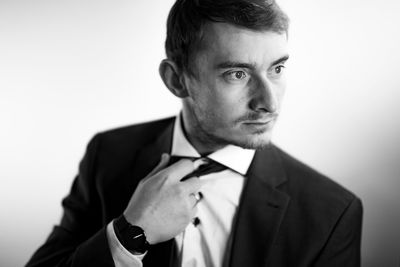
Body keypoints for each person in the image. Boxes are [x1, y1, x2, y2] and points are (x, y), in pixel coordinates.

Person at [26, 0, 363, 266]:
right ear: (177, 80)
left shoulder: (331, 213)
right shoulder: (107, 155)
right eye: (237, 74)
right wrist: (129, 234)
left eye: (277, 68)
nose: (269, 103)